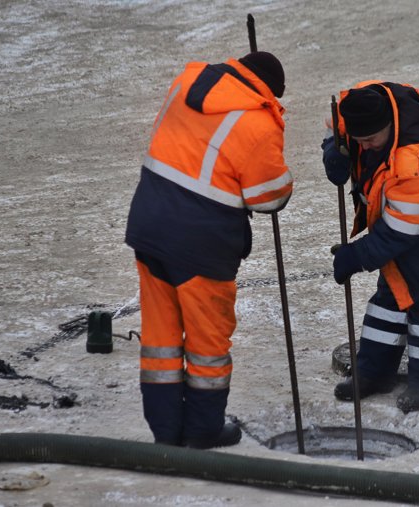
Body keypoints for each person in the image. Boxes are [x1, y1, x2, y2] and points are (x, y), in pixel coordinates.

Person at [125, 51, 293, 448]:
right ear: (268, 92)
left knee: (161, 339)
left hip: (150, 223)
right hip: (201, 244)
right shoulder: (258, 121)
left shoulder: (187, 83)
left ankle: (166, 433)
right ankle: (202, 432)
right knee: (207, 346)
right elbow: (267, 197)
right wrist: (284, 175)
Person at [322, 81, 419, 413]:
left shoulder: (415, 159)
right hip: (410, 209)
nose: (364, 147)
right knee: (392, 290)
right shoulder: (363, 101)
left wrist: (356, 256)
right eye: (358, 141)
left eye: (370, 140)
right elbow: (335, 125)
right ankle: (374, 372)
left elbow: (398, 235)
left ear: (389, 126)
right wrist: (333, 150)